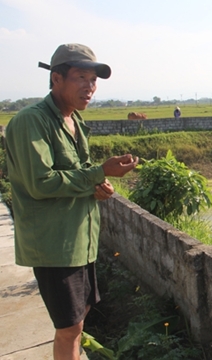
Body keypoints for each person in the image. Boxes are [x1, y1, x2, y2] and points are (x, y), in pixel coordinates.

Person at [4, 43, 139, 360]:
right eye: (81, 77)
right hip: (55, 245)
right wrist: (97, 173)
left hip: (80, 240)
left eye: (93, 80)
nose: (89, 87)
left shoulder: (74, 121)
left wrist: (98, 186)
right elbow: (41, 183)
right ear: (56, 79)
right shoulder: (31, 122)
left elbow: (76, 176)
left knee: (78, 321)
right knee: (69, 328)